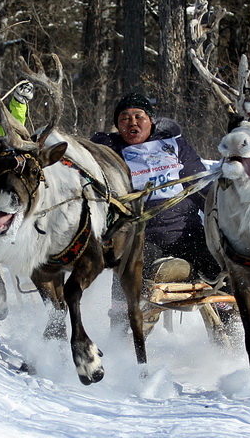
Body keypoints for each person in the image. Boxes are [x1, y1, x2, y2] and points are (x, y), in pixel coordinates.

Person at [91, 92, 227, 329]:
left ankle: (231, 335)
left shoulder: (174, 146)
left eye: (138, 116)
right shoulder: (108, 152)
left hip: (186, 231)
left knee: (223, 267)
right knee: (131, 269)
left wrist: (223, 211)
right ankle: (124, 339)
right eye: (124, 117)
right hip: (140, 236)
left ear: (151, 121)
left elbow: (200, 185)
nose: (132, 122)